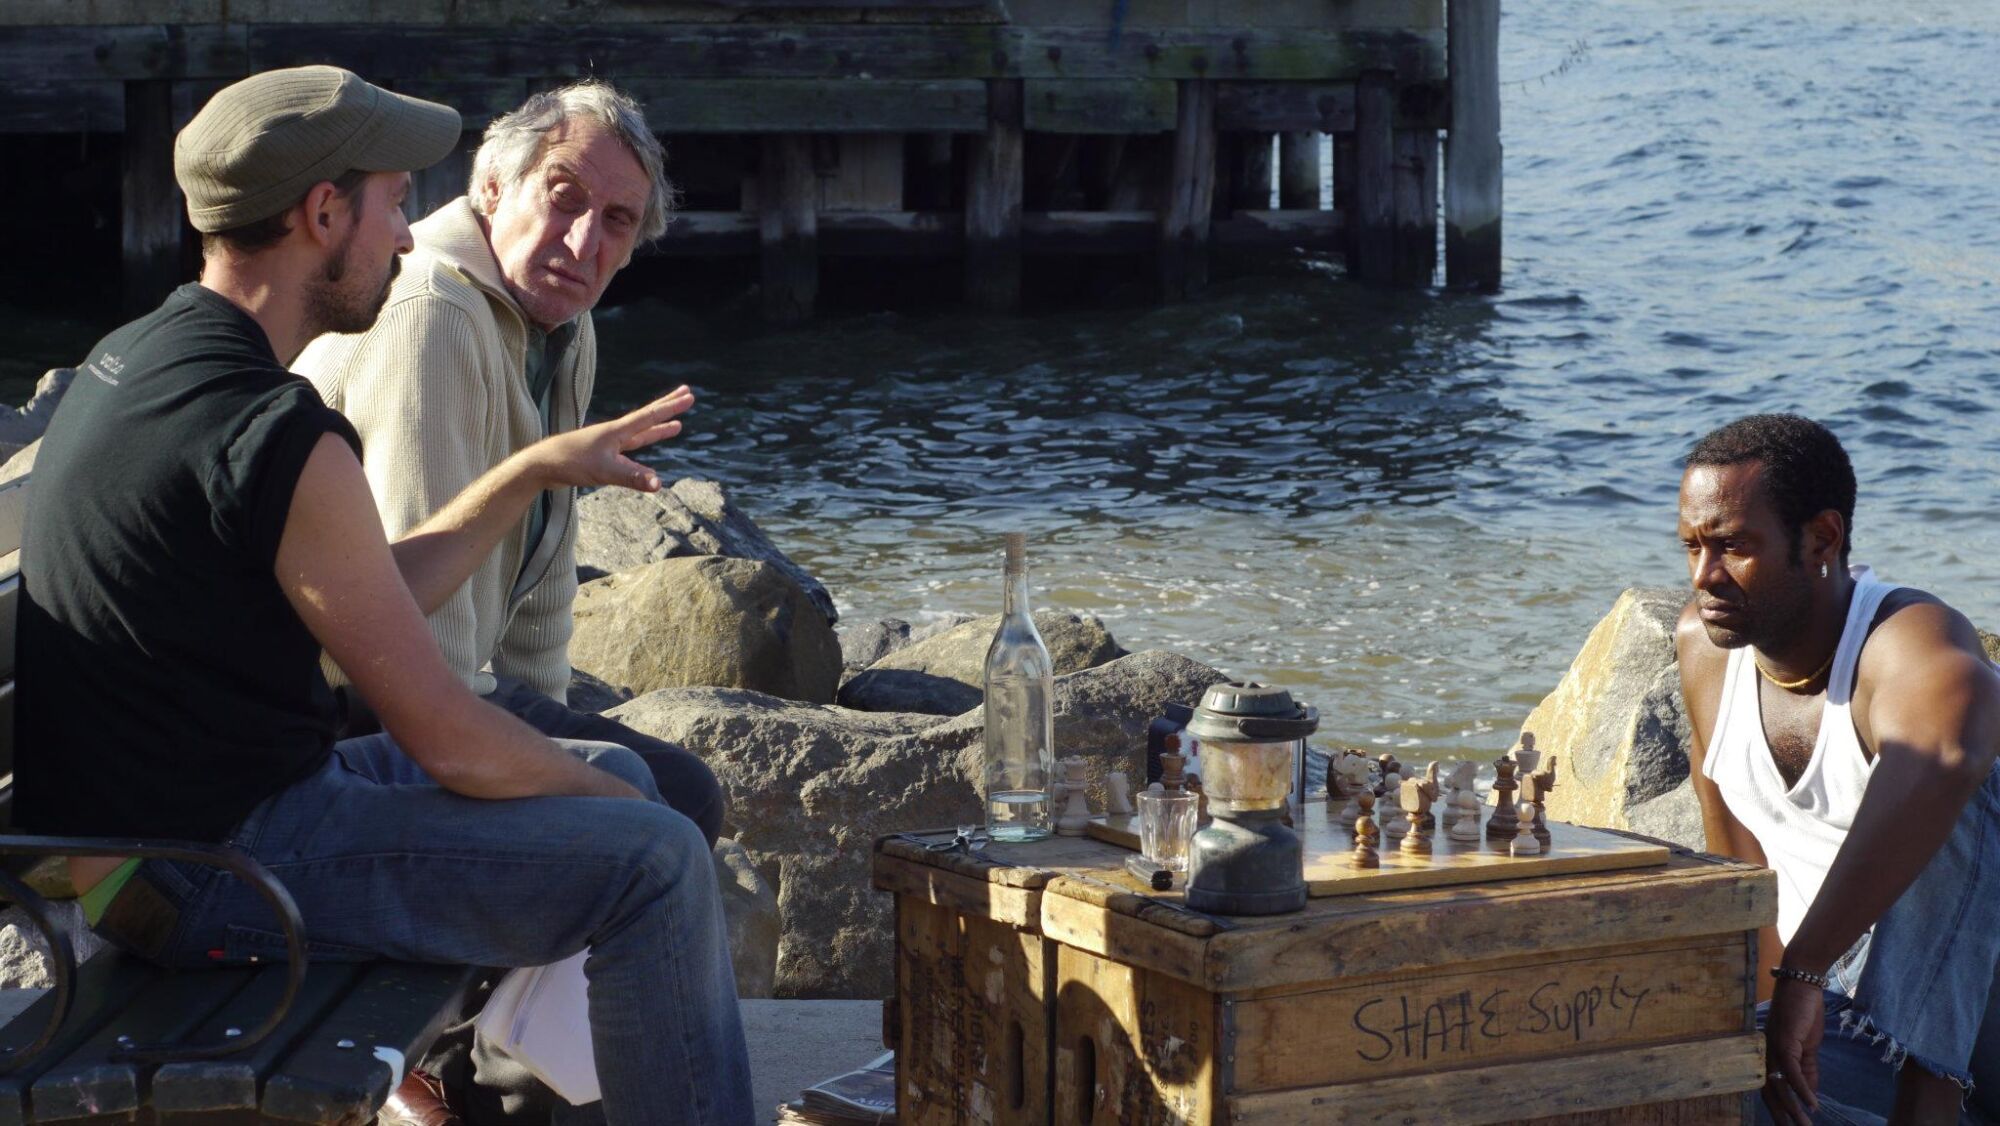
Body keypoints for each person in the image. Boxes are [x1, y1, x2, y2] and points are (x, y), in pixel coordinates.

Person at [14, 66, 753, 1126]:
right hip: (206, 872)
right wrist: (629, 822)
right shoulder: (272, 432)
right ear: (324, 214)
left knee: (624, 773)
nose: (408, 237)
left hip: (181, 832)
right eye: (395, 204)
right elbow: (446, 735)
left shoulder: (140, 357)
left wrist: (531, 470)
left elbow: (374, 591)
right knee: (659, 857)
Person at [292, 81, 726, 852]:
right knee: (653, 807)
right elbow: (415, 609)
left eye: (616, 222)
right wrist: (499, 764)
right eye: (564, 199)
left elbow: (547, 556)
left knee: (678, 793)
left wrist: (549, 719)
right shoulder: (433, 311)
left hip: (435, 689)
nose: (583, 243)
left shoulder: (562, 322)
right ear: (491, 188)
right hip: (355, 704)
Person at [1675, 414, 2000, 1126]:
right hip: (1847, 1027)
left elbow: (1952, 756)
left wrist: (1804, 970)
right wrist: (1771, 1029)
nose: (1704, 577)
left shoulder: (1903, 641)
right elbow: (1740, 862)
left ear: (1823, 539)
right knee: (1678, 1088)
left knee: (1963, 760)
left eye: (1734, 547)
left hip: (1973, 1032)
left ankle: (1931, 1105)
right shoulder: (1704, 653)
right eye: (1693, 547)